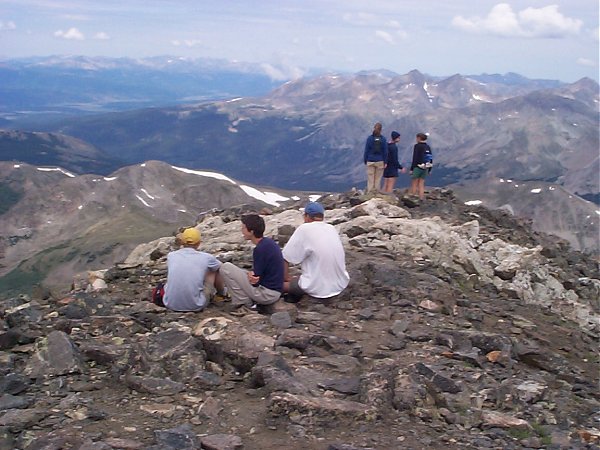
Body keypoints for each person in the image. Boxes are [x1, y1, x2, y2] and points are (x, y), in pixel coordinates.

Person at [282, 201, 349, 302]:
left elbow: (285, 257)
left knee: (274, 285)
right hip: (340, 283)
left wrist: (286, 278)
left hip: (317, 288)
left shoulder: (304, 229)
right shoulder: (331, 228)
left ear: (307, 216)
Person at [218, 214, 284, 309]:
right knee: (241, 272)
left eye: (244, 228)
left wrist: (251, 276)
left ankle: (243, 303)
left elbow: (255, 281)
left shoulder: (260, 249)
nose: (242, 231)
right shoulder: (268, 243)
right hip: (275, 290)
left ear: (251, 231)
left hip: (267, 294)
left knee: (226, 268)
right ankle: (245, 301)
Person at [154, 227, 222, 312]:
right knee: (213, 271)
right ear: (198, 243)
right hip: (195, 305)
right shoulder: (206, 257)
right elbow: (220, 267)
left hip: (170, 304)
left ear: (182, 242)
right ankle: (221, 293)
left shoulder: (171, 255)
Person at [363, 122, 388, 194]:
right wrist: (385, 162)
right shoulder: (383, 139)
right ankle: (376, 194)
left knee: (370, 179)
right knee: (378, 179)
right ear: (381, 130)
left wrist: (366, 160)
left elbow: (366, 150)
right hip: (380, 161)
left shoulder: (369, 138)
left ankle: (369, 193)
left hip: (370, 160)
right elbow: (385, 151)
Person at [409, 132, 433, 200]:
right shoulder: (428, 147)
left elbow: (415, 157)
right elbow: (430, 158)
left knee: (414, 182)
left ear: (419, 138)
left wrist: (412, 169)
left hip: (418, 166)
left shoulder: (417, 146)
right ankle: (421, 197)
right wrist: (430, 169)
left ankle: (413, 197)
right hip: (425, 167)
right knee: (421, 183)